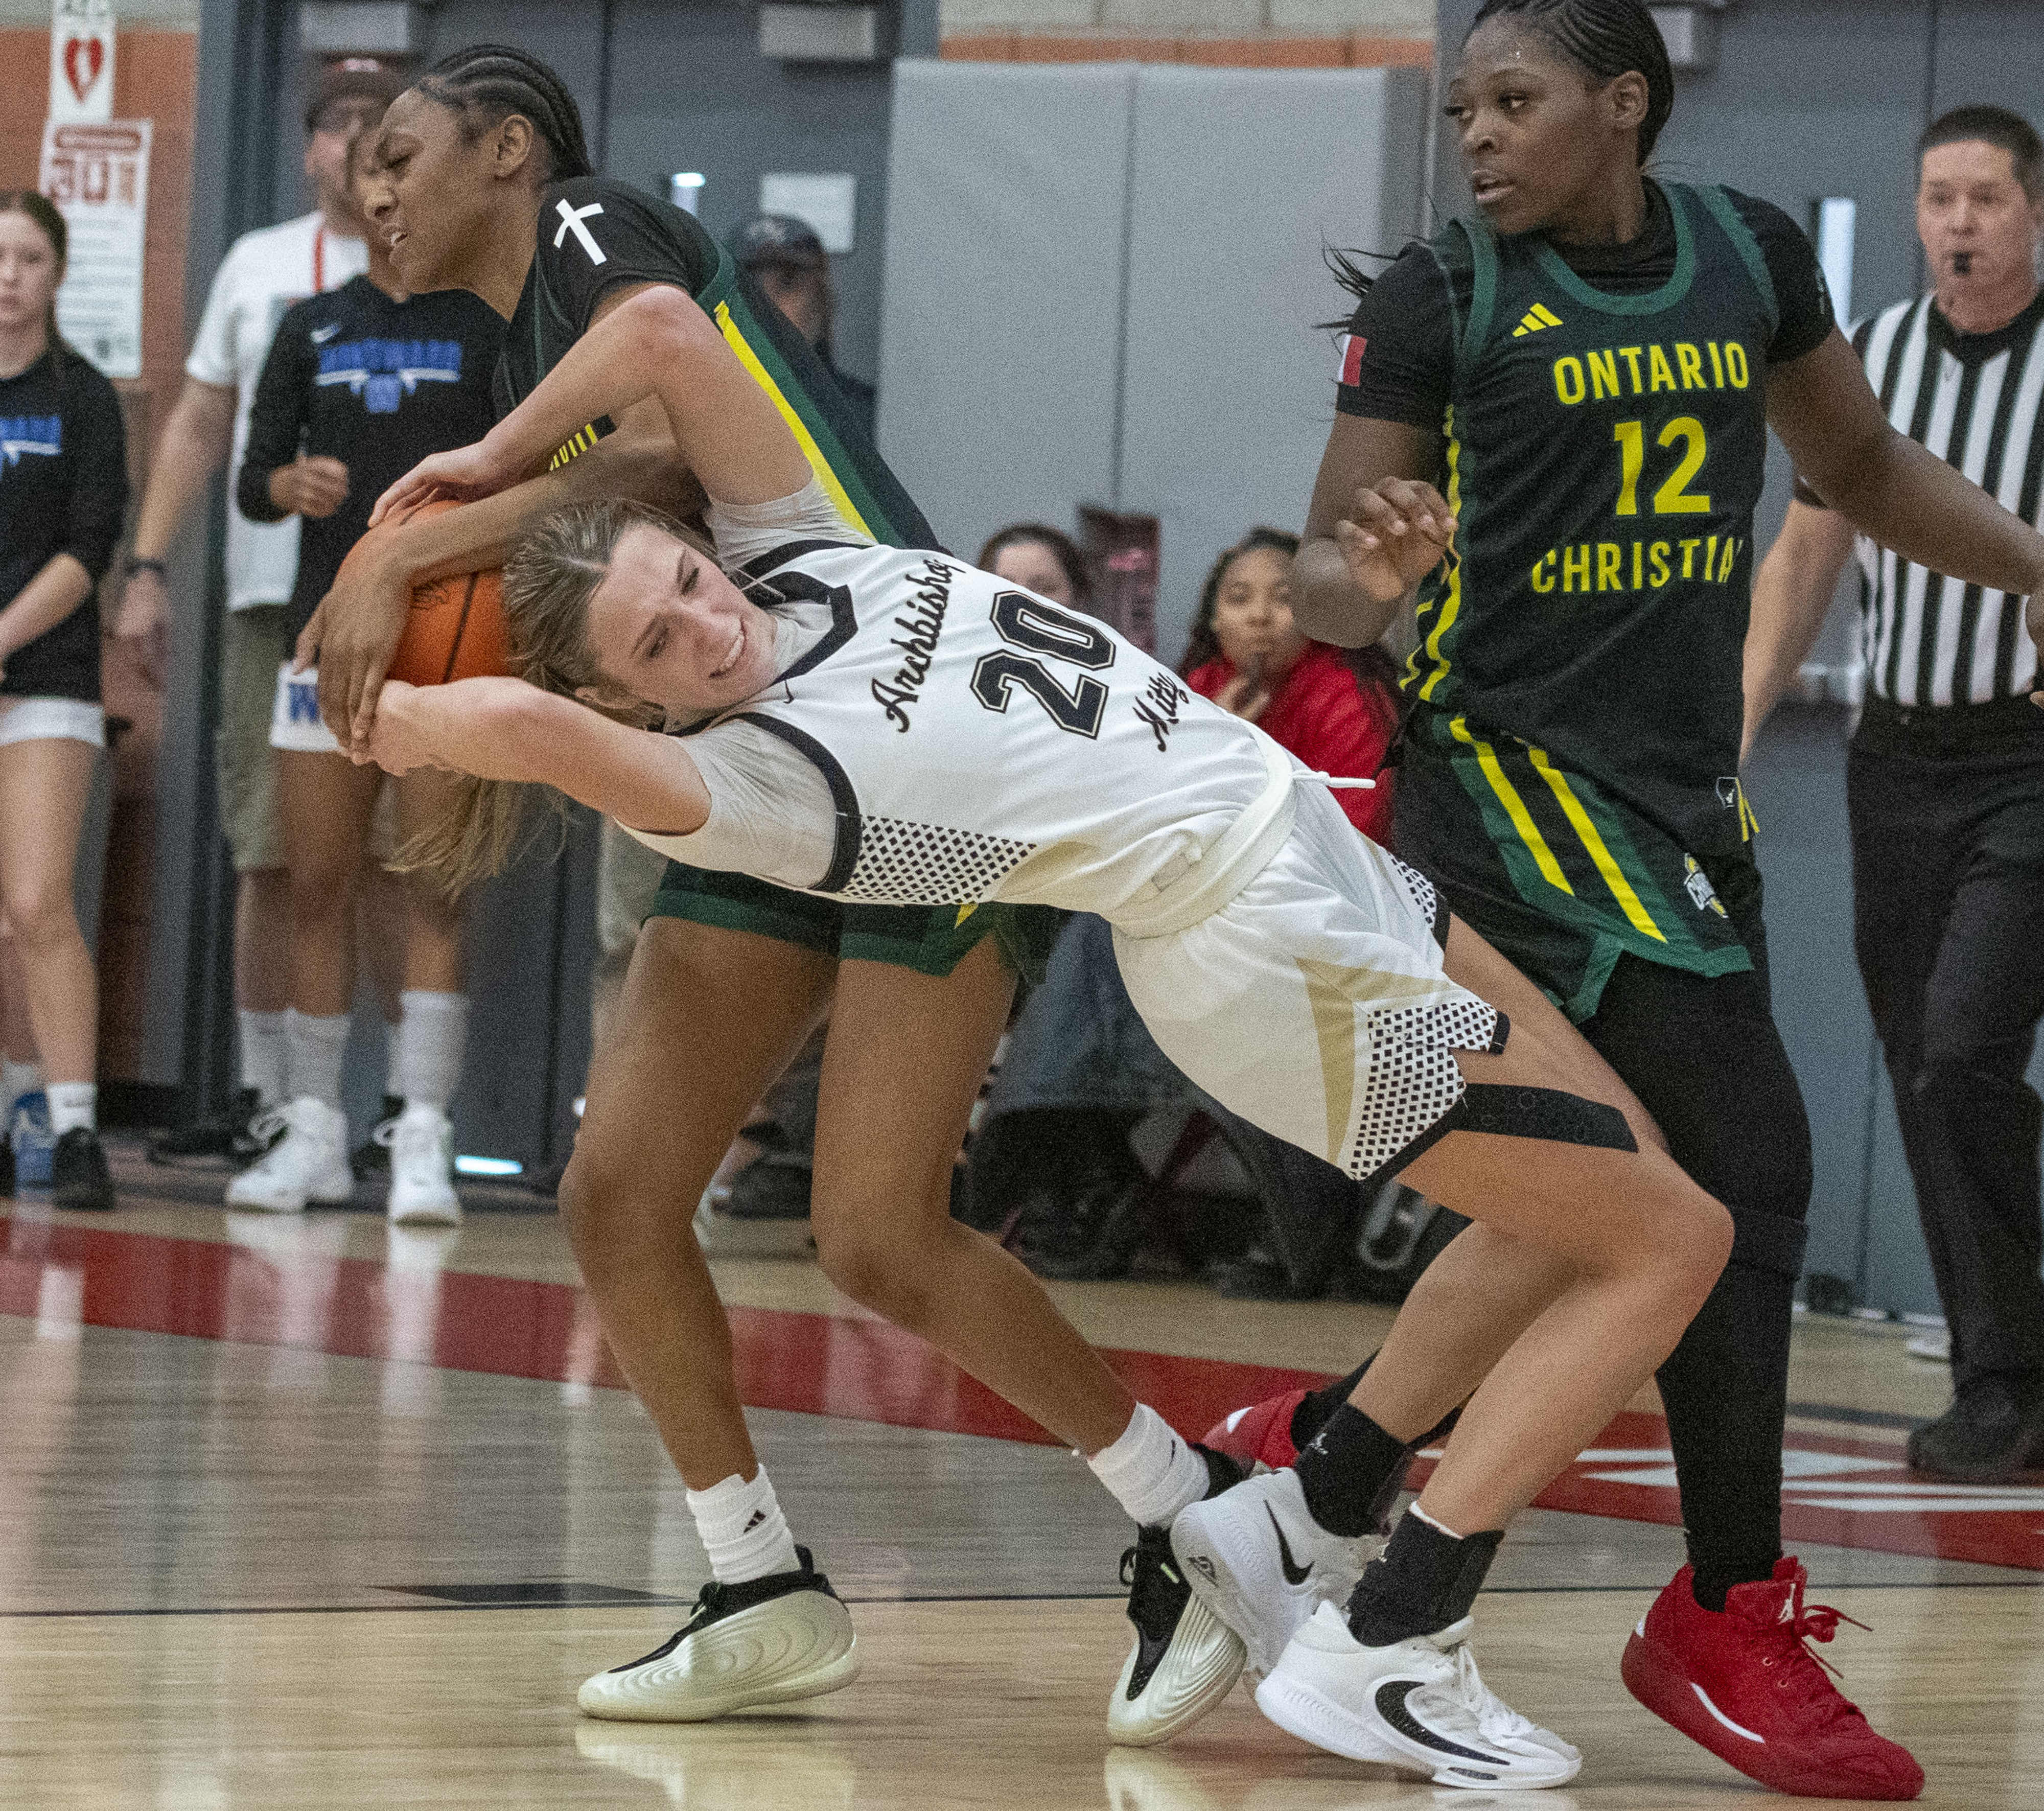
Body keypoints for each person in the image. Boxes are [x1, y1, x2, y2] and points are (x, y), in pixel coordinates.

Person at [369, 268, 1746, 1791]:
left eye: (685, 584)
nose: (703, 629)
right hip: (1262, 950)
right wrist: (396, 685)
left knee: (1608, 1195)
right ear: (613, 697)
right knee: (1668, 1239)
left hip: (1309, 862)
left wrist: (492, 466)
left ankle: (1298, 1500)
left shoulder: (808, 559)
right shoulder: (751, 786)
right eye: (652, 646)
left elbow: (657, 329)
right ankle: (1390, 1642)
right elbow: (516, 727)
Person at [306, 44, 1218, 1734]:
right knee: (619, 1187)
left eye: (403, 152)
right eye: (361, 165)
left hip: (920, 757)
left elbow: (657, 469)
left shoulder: (591, 226)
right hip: (772, 769)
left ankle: (1197, 1518)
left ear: (509, 150)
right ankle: (755, 1577)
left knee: (875, 1230)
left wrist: (407, 547)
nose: (372, 185)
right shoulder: (530, 343)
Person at [1202, 2, 2044, 1797]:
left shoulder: (1743, 256)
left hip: (1673, 807)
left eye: (1516, 103)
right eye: (1463, 109)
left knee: (1602, 1200)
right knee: (1748, 1173)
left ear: (1625, 107)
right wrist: (1379, 575)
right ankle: (1716, 1610)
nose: (1479, 138)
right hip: (1506, 792)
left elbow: (1863, 472)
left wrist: (2035, 562)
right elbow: (1334, 587)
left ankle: (1322, 1492)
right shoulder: (1441, 298)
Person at [1747, 107, 2044, 1488]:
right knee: (1928, 1068)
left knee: (1969, 1038)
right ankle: (2001, 1376)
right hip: (1898, 759)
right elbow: (1806, 556)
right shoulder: (1864, 360)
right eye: (1939, 198)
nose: (1960, 224)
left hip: (2028, 760)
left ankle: (2014, 1359)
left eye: (1986, 197)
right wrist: (1729, 728)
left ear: (2032, 213)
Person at [223, 127, 506, 1222]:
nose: (389, 205)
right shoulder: (312, 322)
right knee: (316, 883)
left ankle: (424, 1135)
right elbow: (251, 479)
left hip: (443, 643)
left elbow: (525, 469)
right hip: (316, 637)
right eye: (371, 187)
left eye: (404, 185)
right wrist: (285, 481)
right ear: (349, 198)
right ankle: (313, 1132)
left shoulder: (483, 323)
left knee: (433, 883)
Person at [121, 65, 402, 1165]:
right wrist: (147, 564)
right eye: (337, 124)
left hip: (396, 597)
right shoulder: (259, 266)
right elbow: (199, 423)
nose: (357, 143)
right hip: (265, 602)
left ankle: (388, 1105)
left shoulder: (435, 274)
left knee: (388, 858)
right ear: (309, 150)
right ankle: (264, 1091)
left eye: (381, 127)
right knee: (271, 853)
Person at [0, 191, 128, 1212]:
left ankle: (77, 1125)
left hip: (46, 670)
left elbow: (89, 550)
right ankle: (12, 1111)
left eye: (29, 257)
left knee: (39, 901)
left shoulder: (83, 396)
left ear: (57, 272)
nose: (9, 276)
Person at [1181, 527, 1398, 846]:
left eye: (1285, 598)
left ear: (1313, 615)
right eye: (1239, 599)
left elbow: (1351, 843)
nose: (1259, 616)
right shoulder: (1198, 689)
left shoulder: (1351, 700)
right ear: (1214, 620)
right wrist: (1219, 737)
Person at [729, 213, 875, 439]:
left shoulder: (866, 417)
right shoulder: (692, 411)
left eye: (787, 283)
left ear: (821, 300)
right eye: (749, 288)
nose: (767, 304)